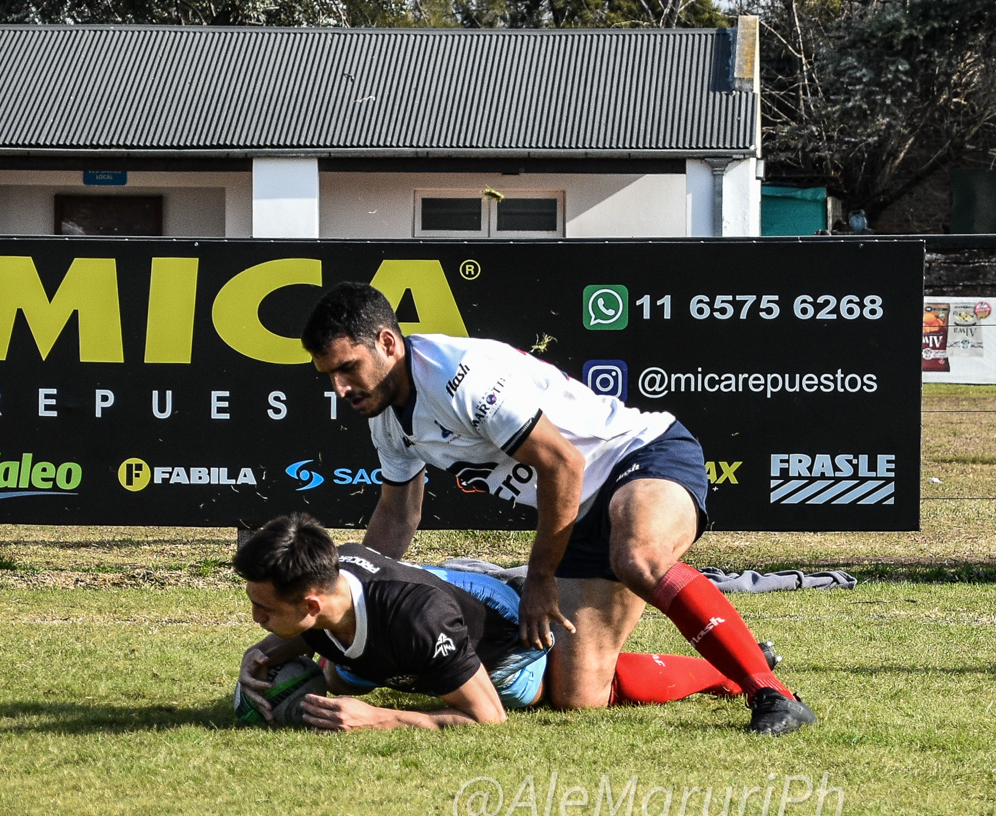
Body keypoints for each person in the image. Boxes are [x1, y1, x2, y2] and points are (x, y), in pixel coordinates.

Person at [298, 282, 815, 735]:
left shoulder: (458, 375)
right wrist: (342, 600)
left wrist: (540, 579)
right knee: (578, 695)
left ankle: (771, 694)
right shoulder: (385, 415)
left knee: (638, 557)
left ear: (387, 343)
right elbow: (397, 516)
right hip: (578, 512)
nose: (340, 388)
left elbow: (564, 465)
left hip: (640, 456)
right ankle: (734, 665)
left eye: (347, 368)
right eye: (328, 375)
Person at [233, 514, 770, 731]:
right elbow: (304, 630)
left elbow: (487, 719)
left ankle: (726, 672)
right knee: (338, 679)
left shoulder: (418, 621)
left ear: (311, 606)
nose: (257, 619)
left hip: (507, 640)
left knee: (571, 694)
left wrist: (380, 718)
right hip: (434, 602)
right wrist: (265, 653)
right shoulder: (330, 576)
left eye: (265, 610)